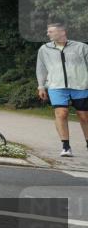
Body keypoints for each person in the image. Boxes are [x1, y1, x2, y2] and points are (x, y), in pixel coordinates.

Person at [36, 22, 88, 158]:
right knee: (61, 113)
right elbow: (41, 69)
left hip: (80, 85)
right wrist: (41, 86)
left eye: (51, 31)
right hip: (56, 86)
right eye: (48, 31)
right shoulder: (44, 49)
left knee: (84, 116)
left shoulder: (81, 47)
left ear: (62, 32)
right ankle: (66, 146)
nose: (48, 34)